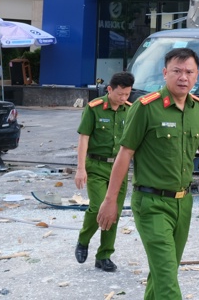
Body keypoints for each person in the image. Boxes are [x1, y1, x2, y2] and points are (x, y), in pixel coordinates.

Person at [97, 48, 199, 297]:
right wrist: (110, 200)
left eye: (189, 72)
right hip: (151, 204)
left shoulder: (197, 109)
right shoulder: (146, 108)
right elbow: (124, 154)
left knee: (163, 273)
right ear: (165, 73)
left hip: (183, 204)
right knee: (167, 281)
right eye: (177, 71)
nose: (183, 77)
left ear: (197, 76)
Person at [74, 71, 135, 273]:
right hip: (97, 166)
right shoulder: (94, 109)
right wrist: (81, 168)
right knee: (97, 206)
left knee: (113, 212)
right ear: (109, 89)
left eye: (127, 94)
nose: (124, 98)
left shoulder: (131, 110)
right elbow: (84, 138)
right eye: (120, 94)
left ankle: (104, 255)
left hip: (119, 168)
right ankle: (83, 240)